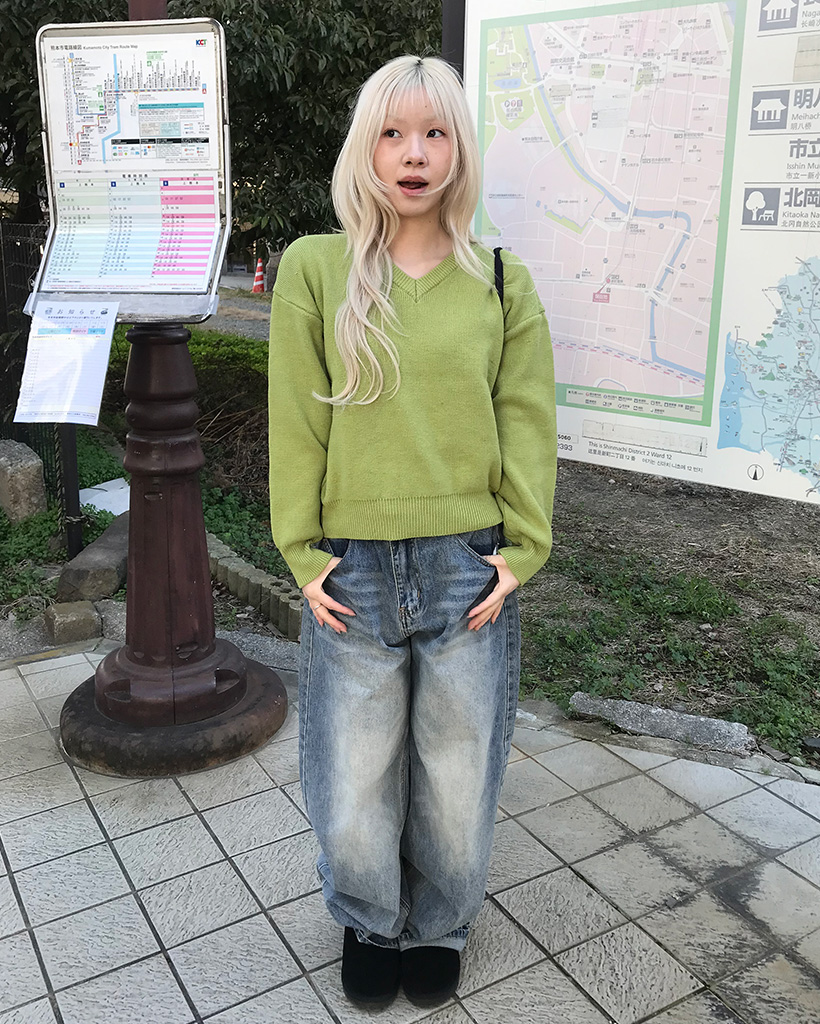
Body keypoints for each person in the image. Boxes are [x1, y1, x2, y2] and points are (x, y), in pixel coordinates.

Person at [268, 54, 557, 1010]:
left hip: (467, 567)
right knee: (354, 775)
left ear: (459, 150)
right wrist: (302, 553)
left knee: (456, 771)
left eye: (435, 133)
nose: (414, 154)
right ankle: (367, 917)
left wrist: (523, 550)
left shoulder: (500, 282)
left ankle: (439, 924)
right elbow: (296, 421)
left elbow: (526, 419)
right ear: (367, 148)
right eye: (393, 133)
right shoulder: (316, 269)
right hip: (350, 569)